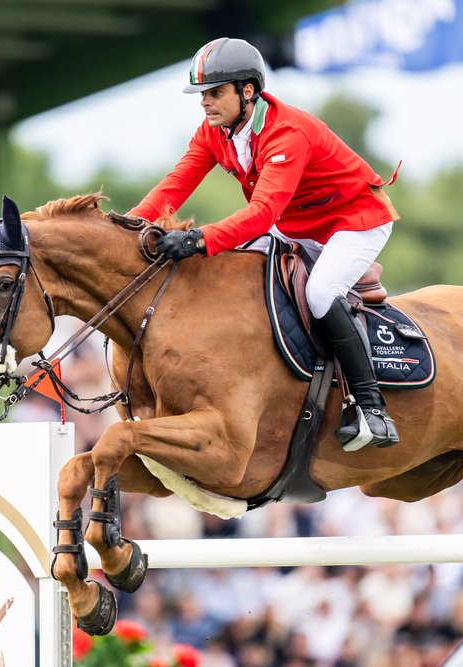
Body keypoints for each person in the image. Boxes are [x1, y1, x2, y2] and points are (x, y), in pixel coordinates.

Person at [128, 37, 401, 450]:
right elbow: (175, 185)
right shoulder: (213, 132)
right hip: (295, 223)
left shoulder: (287, 133)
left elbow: (261, 215)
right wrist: (127, 228)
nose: (205, 102)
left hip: (353, 221)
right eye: (202, 94)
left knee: (321, 292)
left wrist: (198, 239)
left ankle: (372, 408)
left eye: (215, 92)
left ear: (248, 91)